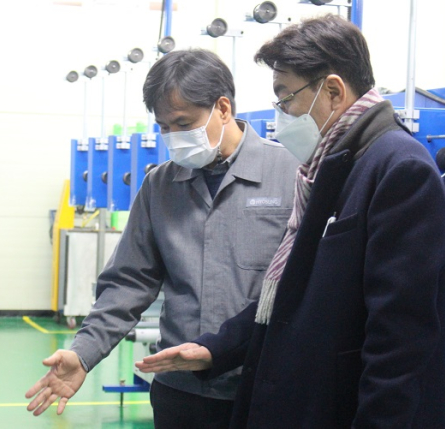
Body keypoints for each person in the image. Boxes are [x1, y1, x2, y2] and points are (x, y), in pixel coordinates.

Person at [136, 15, 445, 429]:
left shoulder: (398, 168)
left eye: (286, 98)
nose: (282, 113)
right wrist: (217, 349)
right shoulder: (333, 166)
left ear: (333, 91)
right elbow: (291, 293)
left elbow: (400, 342)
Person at [25, 49, 299, 428]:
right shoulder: (160, 185)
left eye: (183, 123)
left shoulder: (292, 173)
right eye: (164, 127)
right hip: (180, 391)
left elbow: (304, 287)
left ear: (222, 108)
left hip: (265, 389)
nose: (173, 137)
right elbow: (129, 281)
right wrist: (84, 351)